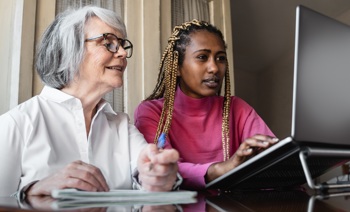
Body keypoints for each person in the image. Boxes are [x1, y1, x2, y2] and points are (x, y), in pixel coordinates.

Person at [0, 6, 180, 197]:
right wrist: (31, 192)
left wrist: (158, 176)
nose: (123, 54)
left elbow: (149, 180)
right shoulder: (15, 124)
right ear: (69, 51)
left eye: (121, 44)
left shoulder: (123, 128)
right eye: (108, 43)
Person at [134, 20, 278, 190]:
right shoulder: (152, 112)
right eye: (202, 57)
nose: (214, 68)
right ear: (177, 66)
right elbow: (162, 168)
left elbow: (275, 162)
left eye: (221, 58)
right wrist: (223, 168)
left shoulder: (236, 108)